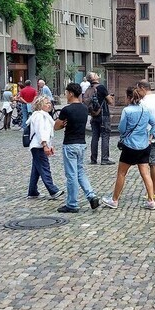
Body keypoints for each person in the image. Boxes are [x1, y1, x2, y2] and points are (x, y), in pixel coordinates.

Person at [102, 87, 155, 210]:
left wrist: (124, 135)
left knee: (122, 173)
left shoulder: (127, 111)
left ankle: (114, 200)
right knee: (145, 173)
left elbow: (122, 128)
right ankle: (151, 200)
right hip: (144, 145)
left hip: (130, 146)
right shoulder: (145, 109)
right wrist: (150, 137)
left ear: (128, 97)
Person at [54, 83, 100, 213]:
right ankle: (91, 195)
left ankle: (72, 203)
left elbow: (56, 126)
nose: (66, 95)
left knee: (71, 175)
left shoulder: (66, 110)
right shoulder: (84, 108)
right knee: (80, 172)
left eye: (67, 92)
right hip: (82, 143)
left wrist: (63, 125)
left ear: (71, 93)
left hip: (70, 144)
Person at [26, 95, 63, 200]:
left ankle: (32, 191)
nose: (49, 104)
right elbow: (40, 131)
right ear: (40, 105)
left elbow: (47, 133)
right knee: (44, 167)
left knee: (36, 169)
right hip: (38, 146)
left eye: (49, 103)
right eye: (46, 103)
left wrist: (49, 145)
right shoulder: (39, 116)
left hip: (39, 145)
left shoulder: (44, 115)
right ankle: (53, 190)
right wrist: (45, 145)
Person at [137, 80, 155, 201]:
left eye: (138, 90)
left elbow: (143, 120)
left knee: (153, 163)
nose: (137, 92)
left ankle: (154, 191)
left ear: (143, 88)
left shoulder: (143, 102)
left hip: (150, 136)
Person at [85, 72, 114, 165]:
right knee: (105, 136)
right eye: (95, 74)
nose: (97, 74)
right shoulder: (101, 87)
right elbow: (109, 102)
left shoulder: (89, 89)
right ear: (94, 78)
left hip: (93, 115)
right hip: (103, 114)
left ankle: (93, 159)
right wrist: (110, 98)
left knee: (95, 136)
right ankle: (104, 159)